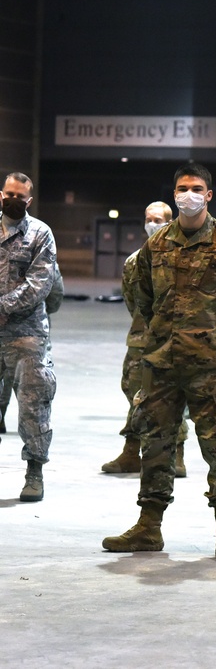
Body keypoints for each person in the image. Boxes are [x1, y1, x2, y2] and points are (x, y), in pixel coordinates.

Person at [102, 163, 216, 563]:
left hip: (210, 366)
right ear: (174, 193)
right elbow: (140, 296)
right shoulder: (155, 246)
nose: (188, 193)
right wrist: (161, 334)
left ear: (209, 195)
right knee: (156, 443)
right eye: (182, 187)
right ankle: (148, 527)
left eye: (196, 188)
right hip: (162, 363)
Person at [101, 202, 189, 476]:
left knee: (173, 396)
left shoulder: (183, 257)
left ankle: (177, 455)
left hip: (173, 340)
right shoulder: (134, 261)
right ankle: (131, 452)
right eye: (149, 219)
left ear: (169, 221)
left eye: (158, 219)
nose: (153, 224)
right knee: (134, 391)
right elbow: (132, 301)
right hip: (141, 339)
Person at [0, 172, 58, 502]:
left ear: (29, 200)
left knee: (34, 404)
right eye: (9, 194)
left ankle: (34, 471)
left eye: (20, 196)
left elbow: (40, 284)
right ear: (0, 194)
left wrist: (3, 307)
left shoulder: (40, 233)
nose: (14, 199)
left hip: (27, 334)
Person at [0, 260, 62, 435]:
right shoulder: (42, 258)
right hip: (31, 329)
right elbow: (56, 293)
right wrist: (42, 309)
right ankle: (34, 440)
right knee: (32, 383)